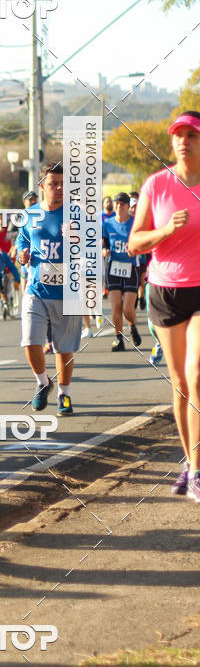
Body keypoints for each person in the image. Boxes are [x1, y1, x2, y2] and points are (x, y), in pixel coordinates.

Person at [129, 110, 200, 502]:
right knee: (181, 384)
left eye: (191, 134)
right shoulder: (157, 185)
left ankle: (199, 470)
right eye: (178, 135)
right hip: (166, 289)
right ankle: (190, 463)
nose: (183, 141)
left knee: (198, 373)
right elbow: (134, 243)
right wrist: (166, 230)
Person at [16, 163, 82, 417]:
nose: (59, 188)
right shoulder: (30, 214)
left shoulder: (75, 214)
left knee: (63, 349)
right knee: (30, 341)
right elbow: (22, 240)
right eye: (54, 183)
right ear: (42, 186)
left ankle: (64, 394)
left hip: (67, 293)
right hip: (36, 290)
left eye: (64, 184)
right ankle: (43, 382)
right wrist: (22, 254)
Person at [103, 192, 142, 351]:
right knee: (116, 307)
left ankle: (132, 326)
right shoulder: (108, 223)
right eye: (117, 204)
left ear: (128, 207)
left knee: (127, 308)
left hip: (130, 268)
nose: (118, 207)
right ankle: (119, 339)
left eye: (122, 205)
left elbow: (141, 242)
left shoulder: (135, 223)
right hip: (113, 268)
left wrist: (136, 250)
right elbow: (104, 240)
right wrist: (104, 249)